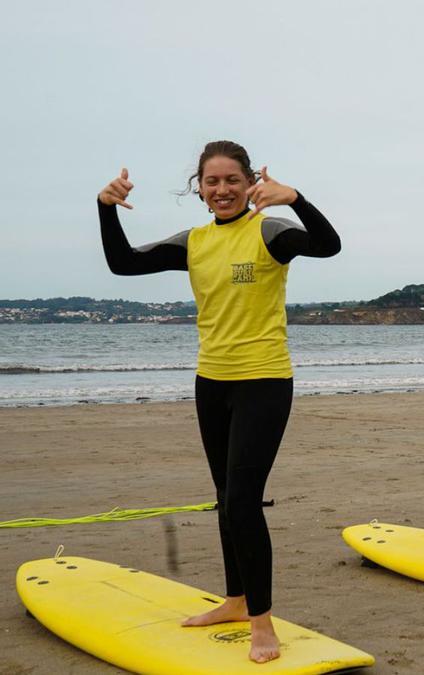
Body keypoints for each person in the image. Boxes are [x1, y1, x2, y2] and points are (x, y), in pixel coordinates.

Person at [96, 140, 340, 663]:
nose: (222, 190)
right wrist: (105, 208)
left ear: (250, 182)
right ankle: (234, 600)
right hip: (212, 382)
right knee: (225, 496)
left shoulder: (269, 231)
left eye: (232, 180)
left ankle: (262, 624)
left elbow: (328, 245)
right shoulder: (195, 241)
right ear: (200, 190)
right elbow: (122, 264)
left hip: (265, 381)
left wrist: (294, 197)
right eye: (212, 182)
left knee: (243, 502)